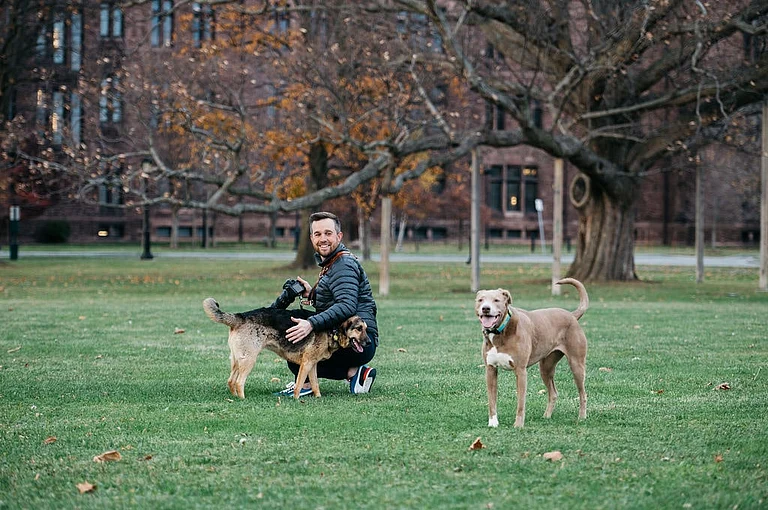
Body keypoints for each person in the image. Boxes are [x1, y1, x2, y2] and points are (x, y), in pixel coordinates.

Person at [273, 211, 378, 397]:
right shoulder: (333, 262)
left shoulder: (343, 264)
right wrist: (312, 294)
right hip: (348, 338)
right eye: (318, 234)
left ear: (339, 236)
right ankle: (354, 373)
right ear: (311, 238)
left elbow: (346, 306)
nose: (323, 239)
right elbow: (336, 299)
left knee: (296, 346)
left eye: (328, 233)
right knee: (297, 334)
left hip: (358, 340)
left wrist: (311, 324)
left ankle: (308, 384)